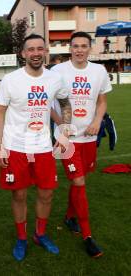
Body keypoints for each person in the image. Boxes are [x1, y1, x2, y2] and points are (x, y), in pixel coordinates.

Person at [0, 34, 72, 261]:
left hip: (43, 147)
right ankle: (21, 237)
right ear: (23, 54)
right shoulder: (10, 80)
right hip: (15, 146)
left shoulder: (54, 79)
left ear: (45, 51)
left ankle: (40, 234)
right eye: (31, 49)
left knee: (46, 194)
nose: (36, 53)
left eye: (40, 48)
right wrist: (0, 147)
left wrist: (65, 131)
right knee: (19, 194)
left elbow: (65, 102)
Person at [50, 31, 112, 258]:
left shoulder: (99, 71)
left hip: (89, 137)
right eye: (75, 46)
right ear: (70, 48)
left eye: (83, 46)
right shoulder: (57, 72)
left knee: (79, 182)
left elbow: (102, 101)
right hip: (67, 139)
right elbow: (47, 102)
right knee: (79, 181)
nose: (79, 50)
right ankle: (88, 236)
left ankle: (69, 216)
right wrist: (61, 124)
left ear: (90, 48)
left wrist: (97, 121)